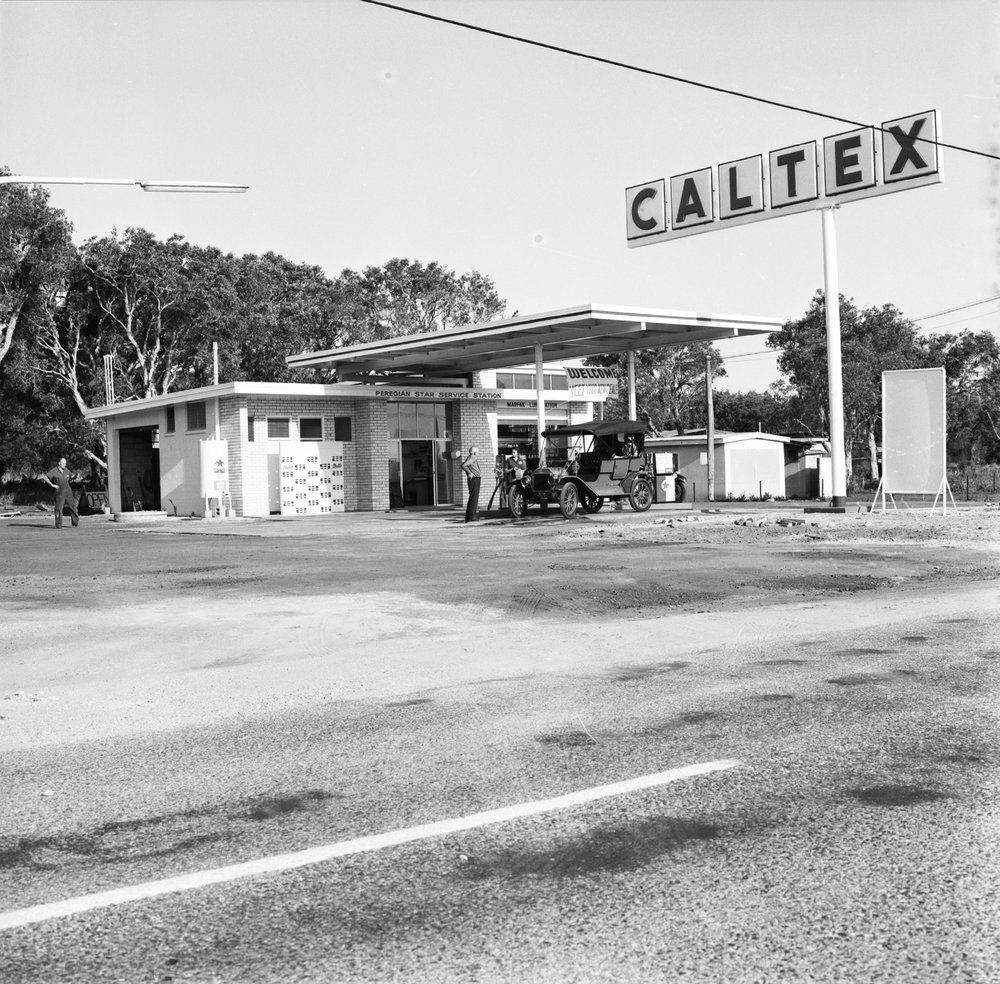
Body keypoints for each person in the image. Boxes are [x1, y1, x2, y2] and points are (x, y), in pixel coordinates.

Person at [42, 457, 78, 529]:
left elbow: (71, 476)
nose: (65, 464)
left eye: (65, 463)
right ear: (59, 463)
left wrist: (75, 476)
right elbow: (45, 477)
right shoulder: (54, 471)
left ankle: (75, 522)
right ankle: (58, 524)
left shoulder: (66, 470)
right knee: (59, 508)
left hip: (68, 489)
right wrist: (52, 485)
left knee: (73, 505)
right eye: (63, 463)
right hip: (59, 490)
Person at [460, 446, 481, 522]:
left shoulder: (471, 457)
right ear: (475, 452)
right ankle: (472, 515)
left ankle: (469, 515)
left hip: (474, 479)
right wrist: (469, 473)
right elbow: (463, 465)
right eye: (478, 451)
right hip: (474, 479)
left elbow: (463, 465)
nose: (479, 453)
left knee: (473, 497)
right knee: (474, 498)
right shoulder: (473, 457)